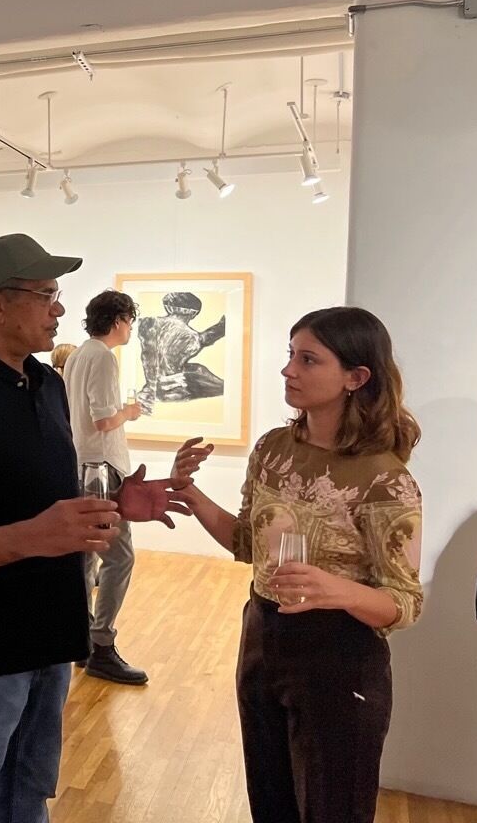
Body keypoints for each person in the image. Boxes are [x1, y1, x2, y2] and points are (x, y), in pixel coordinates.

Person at [0, 234, 206, 823]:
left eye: (58, 294)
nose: (59, 309)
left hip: (54, 631)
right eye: (45, 294)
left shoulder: (47, 385)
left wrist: (119, 501)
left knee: (29, 790)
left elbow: (52, 499)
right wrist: (34, 536)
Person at [173, 306, 423, 823]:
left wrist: (338, 591)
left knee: (334, 809)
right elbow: (248, 542)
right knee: (271, 803)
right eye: (291, 355)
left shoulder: (385, 478)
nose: (289, 370)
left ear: (356, 378)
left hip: (340, 655)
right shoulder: (272, 449)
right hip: (263, 638)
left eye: (308, 359)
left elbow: (403, 603)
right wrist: (190, 494)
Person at [63, 289, 148, 684]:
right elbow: (102, 420)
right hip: (103, 469)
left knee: (88, 559)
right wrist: (129, 412)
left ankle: (81, 641)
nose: (130, 328)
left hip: (82, 465)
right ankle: (101, 643)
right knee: (119, 557)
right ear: (117, 320)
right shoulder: (102, 358)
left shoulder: (79, 355)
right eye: (129, 320)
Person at [137, 290, 226, 401]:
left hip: (150, 389)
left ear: (168, 308)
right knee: (208, 378)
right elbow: (206, 338)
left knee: (198, 369)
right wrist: (222, 326)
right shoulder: (191, 337)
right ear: (193, 314)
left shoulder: (146, 323)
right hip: (172, 392)